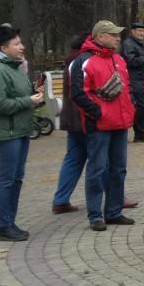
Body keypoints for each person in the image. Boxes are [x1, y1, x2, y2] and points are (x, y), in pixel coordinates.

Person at [70, 21, 136, 231]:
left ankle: (114, 212)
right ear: (99, 37)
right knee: (97, 170)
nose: (118, 38)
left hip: (120, 123)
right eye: (113, 34)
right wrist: (98, 113)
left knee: (119, 169)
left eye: (118, 35)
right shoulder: (84, 61)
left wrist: (129, 109)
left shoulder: (119, 59)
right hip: (98, 126)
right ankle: (95, 215)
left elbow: (126, 88)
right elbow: (78, 93)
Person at [0, 24, 45, 241]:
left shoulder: (13, 67)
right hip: (8, 133)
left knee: (16, 178)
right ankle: (2, 225)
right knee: (7, 179)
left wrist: (35, 96)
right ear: (3, 47)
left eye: (20, 43)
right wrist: (27, 100)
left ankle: (9, 221)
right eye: (17, 44)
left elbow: (21, 96)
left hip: (20, 130)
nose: (22, 47)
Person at [52, 33, 91, 214]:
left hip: (71, 116)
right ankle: (114, 197)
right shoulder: (83, 60)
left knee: (74, 159)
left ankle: (61, 199)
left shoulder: (72, 59)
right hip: (83, 117)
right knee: (101, 159)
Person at [121, 22, 144, 143]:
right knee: (140, 108)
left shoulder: (138, 44)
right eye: (139, 31)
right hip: (135, 82)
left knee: (143, 108)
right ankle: (139, 135)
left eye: (143, 31)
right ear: (133, 31)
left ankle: (140, 134)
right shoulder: (128, 44)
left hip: (142, 81)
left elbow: (140, 61)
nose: (142, 33)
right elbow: (130, 61)